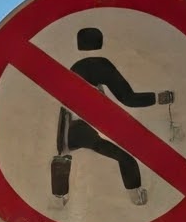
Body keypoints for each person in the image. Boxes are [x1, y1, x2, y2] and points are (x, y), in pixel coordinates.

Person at [50, 26, 173, 205]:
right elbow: (128, 98)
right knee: (127, 159)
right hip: (88, 129)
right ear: (100, 42)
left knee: (125, 158)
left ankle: (59, 198)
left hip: (73, 131)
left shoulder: (74, 68)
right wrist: (159, 98)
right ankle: (137, 197)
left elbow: (67, 109)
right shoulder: (100, 64)